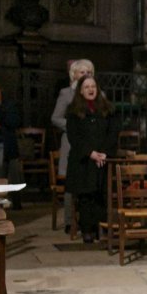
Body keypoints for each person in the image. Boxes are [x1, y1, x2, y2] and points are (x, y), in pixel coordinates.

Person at [65, 75, 117, 243]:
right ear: (81, 90)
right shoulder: (73, 112)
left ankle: (101, 228)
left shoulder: (107, 109)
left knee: (101, 194)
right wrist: (91, 153)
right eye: (86, 87)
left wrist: (104, 153)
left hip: (103, 160)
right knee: (86, 195)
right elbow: (74, 137)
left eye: (93, 86)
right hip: (83, 161)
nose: (90, 89)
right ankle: (87, 229)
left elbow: (112, 133)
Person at [51, 59, 94, 234]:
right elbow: (56, 118)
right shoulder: (66, 93)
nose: (86, 76)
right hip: (71, 143)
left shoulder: (97, 93)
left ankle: (89, 219)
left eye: (89, 72)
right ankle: (69, 220)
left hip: (92, 144)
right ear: (74, 75)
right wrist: (74, 126)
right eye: (82, 72)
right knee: (72, 182)